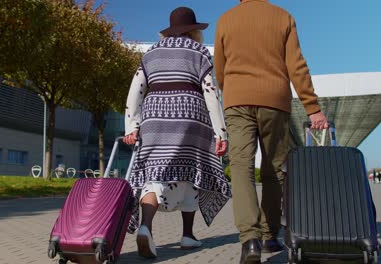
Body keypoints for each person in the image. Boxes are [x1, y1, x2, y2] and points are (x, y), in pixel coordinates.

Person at [214, 1, 328, 263]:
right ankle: (269, 235)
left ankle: (249, 240)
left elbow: (220, 68)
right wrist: (312, 107)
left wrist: (231, 90)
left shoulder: (225, 20)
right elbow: (296, 65)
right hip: (275, 99)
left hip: (237, 100)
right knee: (274, 168)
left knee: (241, 167)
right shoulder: (283, 17)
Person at [123, 7, 232, 259]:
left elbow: (136, 89)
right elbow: (210, 93)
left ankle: (146, 227)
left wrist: (132, 126)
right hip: (191, 117)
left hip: (154, 118)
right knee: (192, 171)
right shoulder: (199, 52)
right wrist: (221, 133)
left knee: (155, 174)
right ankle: (187, 235)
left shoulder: (151, 53)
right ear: (194, 30)